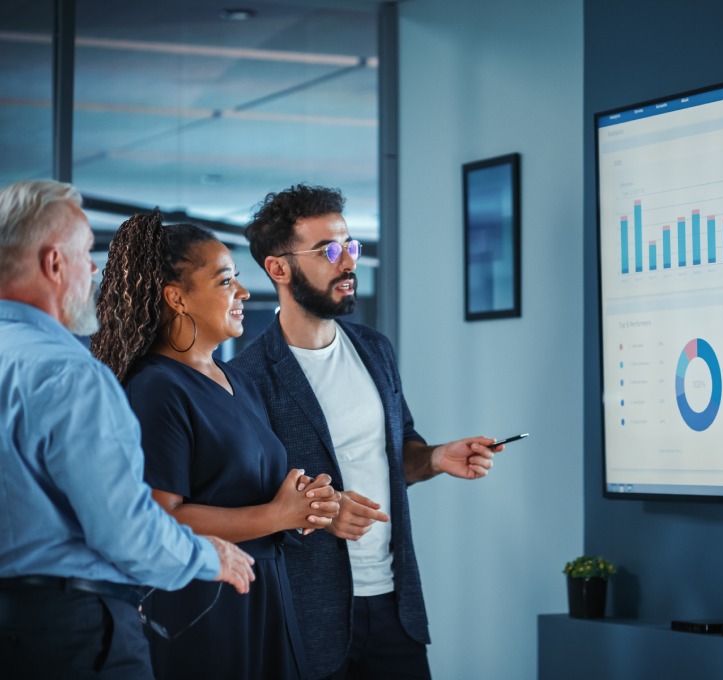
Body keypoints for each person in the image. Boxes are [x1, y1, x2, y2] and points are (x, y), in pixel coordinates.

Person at [231, 184, 503, 679]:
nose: (347, 262)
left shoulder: (375, 350)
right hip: (308, 616)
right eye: (328, 251)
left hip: (395, 607)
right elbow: (248, 503)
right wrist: (322, 513)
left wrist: (437, 457)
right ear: (279, 268)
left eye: (350, 246)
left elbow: (399, 454)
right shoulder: (248, 377)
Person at [0, 179, 256, 680]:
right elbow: (125, 529)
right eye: (84, 254)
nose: (93, 270)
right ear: (54, 264)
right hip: (68, 636)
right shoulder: (67, 372)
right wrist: (209, 558)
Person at [90, 210, 342, 679]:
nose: (244, 293)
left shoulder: (236, 381)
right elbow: (161, 518)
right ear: (177, 298)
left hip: (265, 594)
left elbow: (244, 488)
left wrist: (305, 505)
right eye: (226, 281)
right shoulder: (156, 389)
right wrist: (275, 515)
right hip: (205, 608)